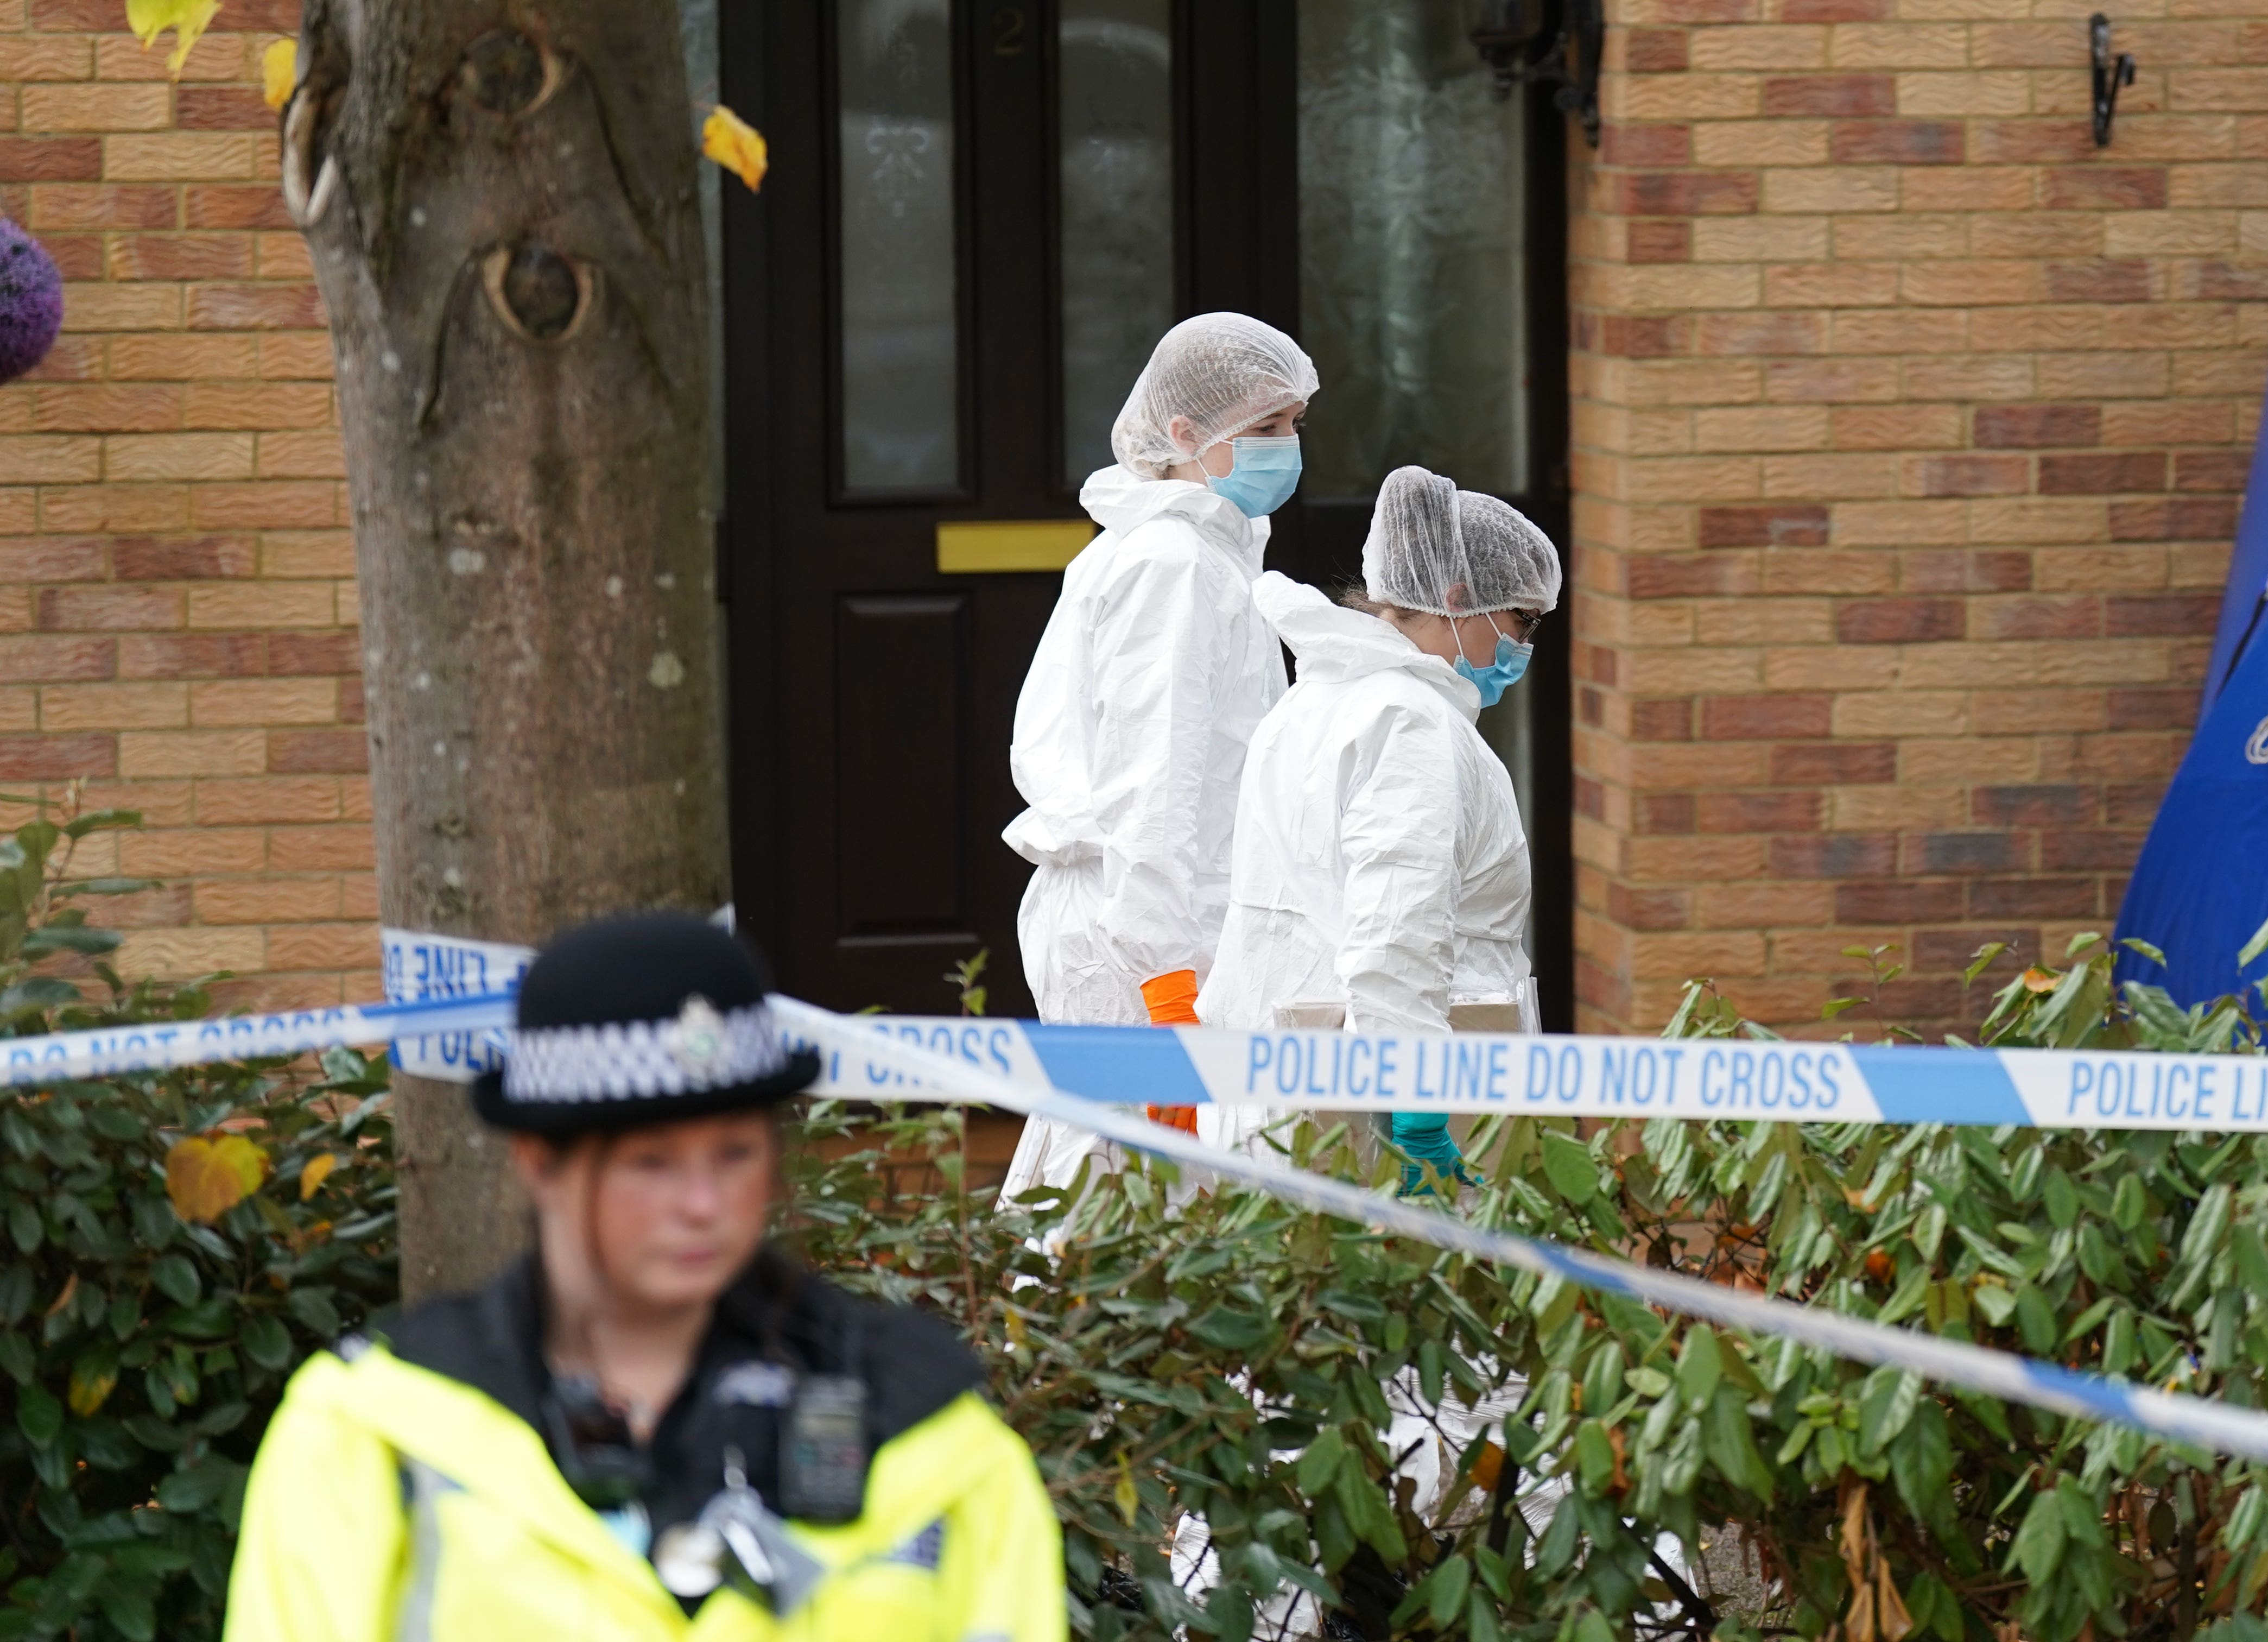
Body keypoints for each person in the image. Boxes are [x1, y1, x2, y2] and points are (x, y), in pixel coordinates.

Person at [223, 912, 1065, 1640]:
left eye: (734, 1153)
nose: (703, 1204)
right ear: (538, 1163)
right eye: (651, 1162)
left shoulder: (930, 1429)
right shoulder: (378, 1431)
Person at [1002, 312, 1318, 1201]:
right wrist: (1168, 989)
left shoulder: (1198, 556)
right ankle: (1021, 1343)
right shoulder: (1173, 565)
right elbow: (1153, 788)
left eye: (1294, 423)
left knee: (1132, 1200)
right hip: (1139, 937)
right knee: (1115, 1201)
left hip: (1157, 927)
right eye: (1265, 427)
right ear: (1184, 434)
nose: (1288, 447)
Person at [1200, 465, 1561, 1189]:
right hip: (1389, 1091)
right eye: (1521, 622)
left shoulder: (1315, 704)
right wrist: (1421, 1112)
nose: (1522, 648)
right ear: (1459, 600)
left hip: (1278, 1068)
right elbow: (1399, 930)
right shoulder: (1411, 724)